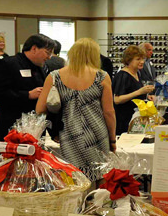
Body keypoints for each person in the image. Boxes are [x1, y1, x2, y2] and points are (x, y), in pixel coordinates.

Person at [36, 38, 115, 182]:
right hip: (97, 132)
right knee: (100, 176)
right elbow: (109, 112)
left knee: (74, 177)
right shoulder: (102, 76)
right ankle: (97, 204)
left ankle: (77, 204)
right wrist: (113, 139)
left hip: (69, 133)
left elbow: (40, 109)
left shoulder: (55, 77)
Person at [0, 34, 53, 141]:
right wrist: (27, 95)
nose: (49, 57)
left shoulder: (41, 68)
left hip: (34, 131)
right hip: (11, 131)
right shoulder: (8, 63)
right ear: (34, 49)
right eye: (47, 52)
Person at [113, 45, 154, 136]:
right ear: (129, 60)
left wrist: (147, 96)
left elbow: (133, 91)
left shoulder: (136, 73)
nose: (142, 62)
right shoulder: (123, 76)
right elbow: (117, 100)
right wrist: (139, 92)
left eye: (143, 59)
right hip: (124, 120)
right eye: (138, 59)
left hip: (134, 119)